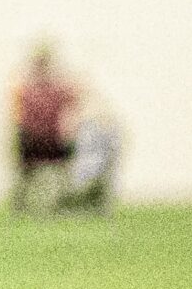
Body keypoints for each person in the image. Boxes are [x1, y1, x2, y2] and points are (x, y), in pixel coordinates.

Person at [10, 41, 118, 216]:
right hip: (44, 146)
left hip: (42, 146)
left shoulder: (33, 89)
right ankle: (42, 203)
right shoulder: (47, 89)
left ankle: (51, 202)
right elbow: (81, 94)